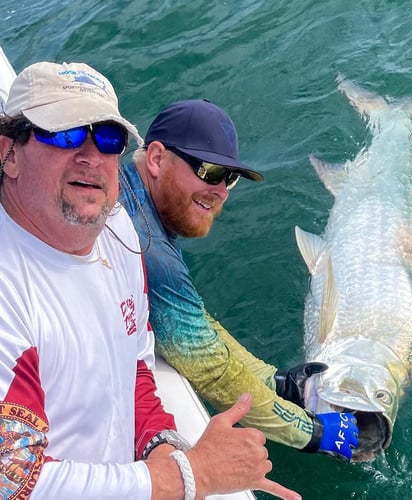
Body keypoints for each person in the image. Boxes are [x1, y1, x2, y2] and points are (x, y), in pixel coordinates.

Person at [0, 61, 302, 500]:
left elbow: (137, 366)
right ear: (8, 152)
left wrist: (159, 443)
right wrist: (186, 476)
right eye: (62, 134)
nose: (90, 156)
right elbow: (13, 484)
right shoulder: (10, 289)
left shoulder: (120, 231)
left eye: (108, 138)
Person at [119, 99, 359, 460]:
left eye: (229, 178)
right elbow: (209, 366)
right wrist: (313, 432)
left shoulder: (134, 198)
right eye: (210, 171)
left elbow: (193, 320)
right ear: (155, 158)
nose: (221, 191)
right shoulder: (146, 245)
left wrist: (273, 381)